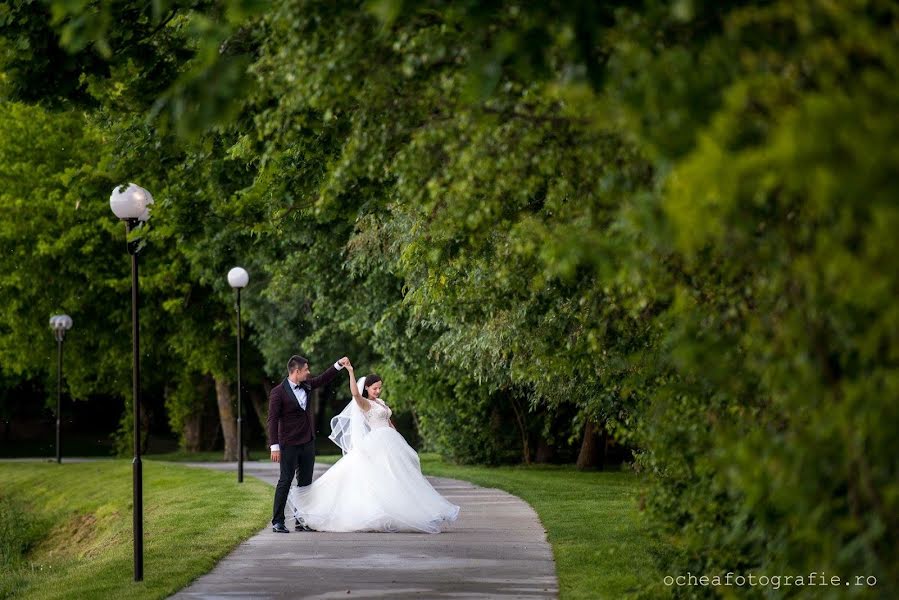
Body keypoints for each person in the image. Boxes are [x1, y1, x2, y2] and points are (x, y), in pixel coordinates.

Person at [287, 359, 460, 533]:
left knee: (400, 476)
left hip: (390, 441)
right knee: (379, 476)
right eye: (374, 388)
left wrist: (399, 439)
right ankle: (380, 512)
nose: (378, 391)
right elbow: (355, 393)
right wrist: (351, 372)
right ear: (367, 388)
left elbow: (389, 422)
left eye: (379, 387)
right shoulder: (365, 403)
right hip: (377, 442)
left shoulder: (381, 402)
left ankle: (420, 510)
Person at [268, 354, 348, 533]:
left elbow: (323, 378)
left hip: (307, 442)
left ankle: (300, 520)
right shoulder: (278, 392)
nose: (309, 372)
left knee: (305, 483)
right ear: (296, 371)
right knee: (285, 480)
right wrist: (274, 446)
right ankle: (277, 521)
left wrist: (338, 365)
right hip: (288, 443)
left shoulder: (307, 385)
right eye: (306, 370)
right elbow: (272, 420)